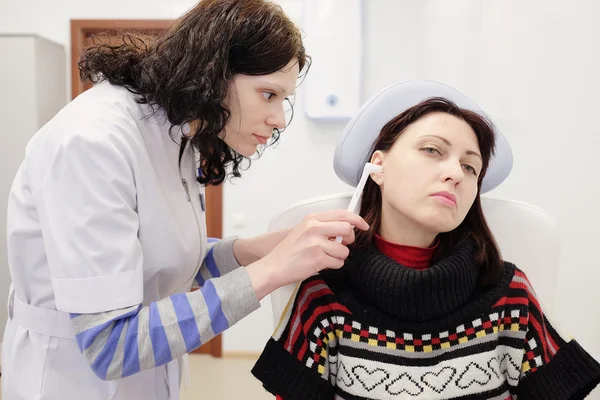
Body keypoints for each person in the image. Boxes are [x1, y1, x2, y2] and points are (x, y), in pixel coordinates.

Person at [1, 1, 369, 399]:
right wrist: (271, 272)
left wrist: (252, 252)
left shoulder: (174, 133)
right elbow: (110, 345)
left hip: (150, 378)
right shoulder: (93, 143)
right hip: (71, 382)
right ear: (213, 73)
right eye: (268, 94)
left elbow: (159, 257)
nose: (279, 118)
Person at [251, 81, 600, 399]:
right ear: (378, 166)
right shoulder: (322, 296)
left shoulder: (512, 295)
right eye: (433, 150)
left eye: (470, 167)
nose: (454, 174)